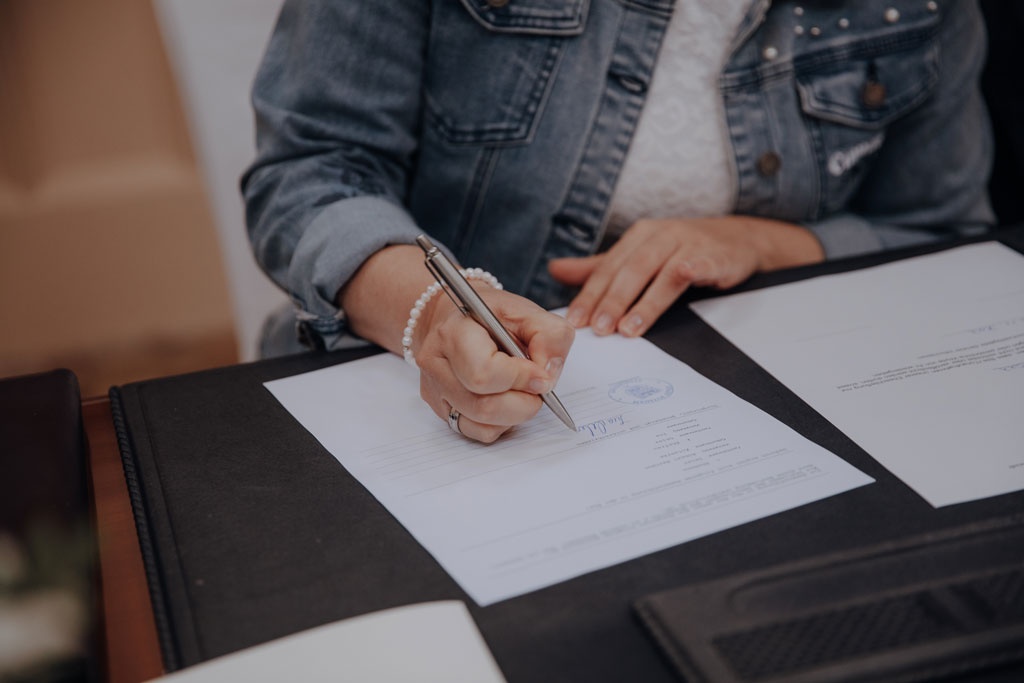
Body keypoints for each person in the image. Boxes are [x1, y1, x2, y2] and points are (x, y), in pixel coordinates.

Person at [242, 0, 993, 443]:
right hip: (391, 381)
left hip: (756, 421)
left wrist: (763, 243)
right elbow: (309, 170)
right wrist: (435, 307)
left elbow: (946, 232)